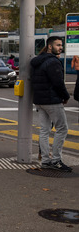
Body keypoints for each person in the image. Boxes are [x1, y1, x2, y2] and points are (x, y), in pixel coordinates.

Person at [30, 36, 71, 171]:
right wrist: (65, 96)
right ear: (49, 46)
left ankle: (46, 161)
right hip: (52, 101)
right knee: (62, 128)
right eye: (58, 45)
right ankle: (56, 160)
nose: (61, 48)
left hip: (40, 101)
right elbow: (58, 83)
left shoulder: (37, 61)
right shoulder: (53, 62)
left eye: (61, 45)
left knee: (44, 130)